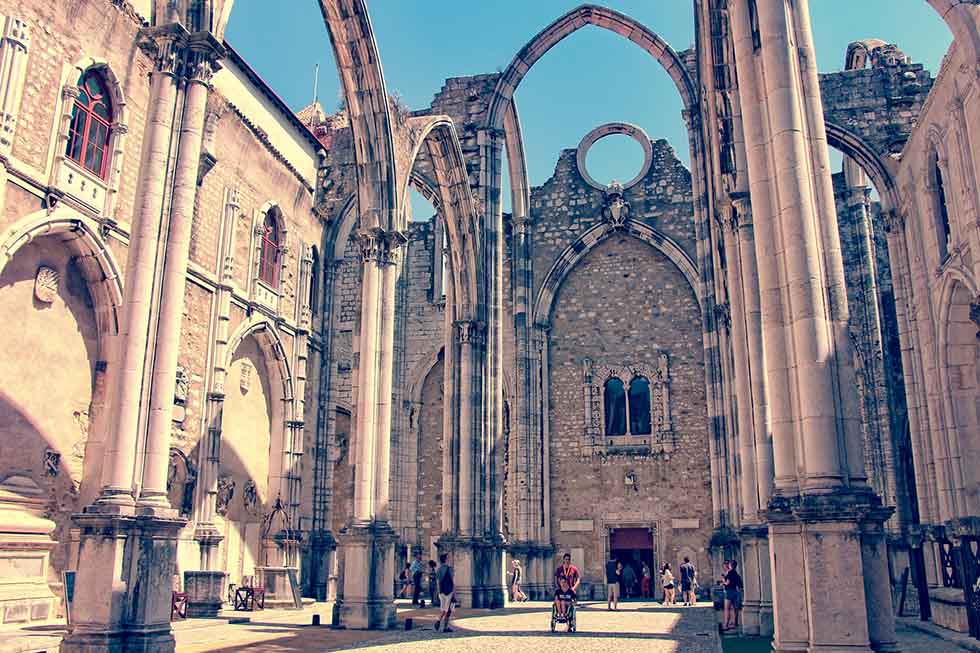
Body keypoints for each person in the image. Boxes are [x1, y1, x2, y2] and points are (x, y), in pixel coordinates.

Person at [722, 559, 744, 631]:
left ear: (730, 565)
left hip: (729, 591)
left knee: (727, 609)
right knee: (735, 609)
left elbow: (727, 583)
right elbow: (740, 584)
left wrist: (723, 581)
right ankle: (735, 623)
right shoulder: (736, 573)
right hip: (735, 591)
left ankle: (726, 625)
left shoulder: (729, 573)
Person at [436, 553, 455, 632]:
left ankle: (439, 622)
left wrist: (438, 591)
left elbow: (437, 581)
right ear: (446, 559)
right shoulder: (450, 569)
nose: (449, 559)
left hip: (441, 591)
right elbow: (453, 581)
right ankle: (443, 625)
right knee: (448, 610)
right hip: (449, 591)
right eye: (448, 558)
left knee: (443, 609)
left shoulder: (439, 569)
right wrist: (454, 591)